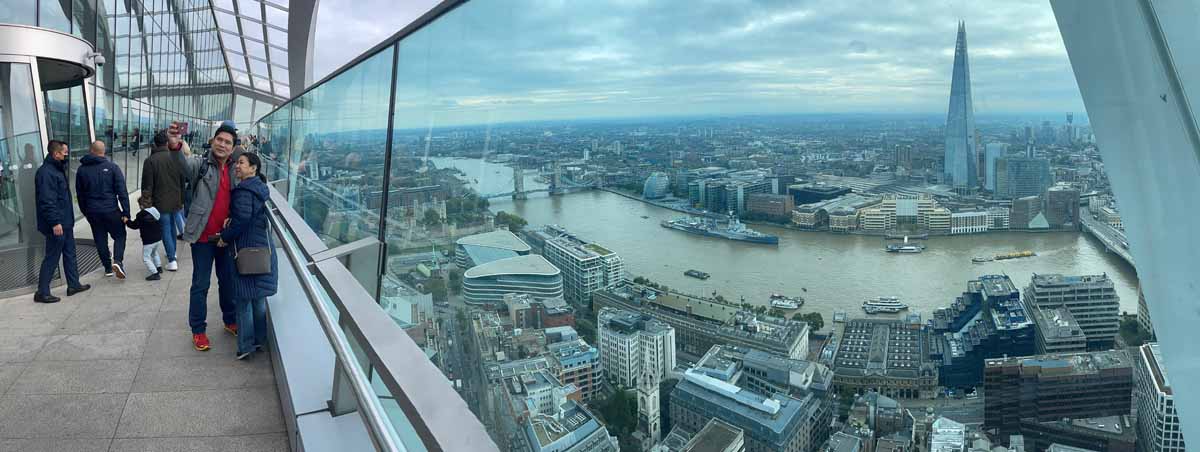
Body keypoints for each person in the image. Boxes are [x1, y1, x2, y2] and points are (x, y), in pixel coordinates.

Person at [182, 123, 241, 351]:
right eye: (219, 140)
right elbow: (183, 167)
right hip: (203, 237)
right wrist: (176, 146)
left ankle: (230, 320)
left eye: (227, 142)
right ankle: (198, 330)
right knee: (201, 284)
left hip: (225, 238)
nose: (222, 145)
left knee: (227, 282)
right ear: (212, 141)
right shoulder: (201, 164)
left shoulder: (236, 168)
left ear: (233, 148)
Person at [216, 152, 276, 359]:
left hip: (247, 251)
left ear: (253, 168)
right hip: (261, 250)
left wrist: (225, 237)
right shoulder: (260, 188)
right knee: (258, 299)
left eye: (241, 163)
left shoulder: (243, 191)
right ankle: (259, 340)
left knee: (243, 300)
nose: (237, 166)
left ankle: (245, 346)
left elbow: (242, 219)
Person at [34, 140, 90, 303]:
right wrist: (55, 222)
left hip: (65, 222)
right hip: (57, 224)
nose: (66, 154)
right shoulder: (46, 173)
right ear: (56, 153)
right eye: (64, 152)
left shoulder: (57, 169)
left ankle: (73, 285)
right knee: (52, 257)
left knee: (70, 253)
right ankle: (42, 292)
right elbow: (47, 201)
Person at [76, 140, 130, 279]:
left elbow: (80, 195)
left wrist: (86, 212)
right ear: (104, 151)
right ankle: (117, 261)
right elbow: (122, 192)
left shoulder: (81, 170)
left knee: (100, 239)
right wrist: (126, 212)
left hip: (93, 212)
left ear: (91, 151)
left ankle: (107, 268)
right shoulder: (112, 167)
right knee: (120, 235)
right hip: (111, 210)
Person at [141, 130, 185, 272]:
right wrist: (182, 199)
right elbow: (182, 180)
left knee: (166, 228)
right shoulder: (175, 158)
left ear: (155, 144)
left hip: (160, 201)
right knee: (171, 227)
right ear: (166, 143)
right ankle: (172, 253)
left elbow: (147, 185)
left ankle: (172, 259)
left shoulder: (150, 161)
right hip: (175, 198)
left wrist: (145, 205)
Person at [125, 195, 164, 280]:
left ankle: (155, 273)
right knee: (154, 252)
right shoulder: (155, 211)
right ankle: (159, 267)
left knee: (146, 258)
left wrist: (127, 221)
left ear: (141, 206)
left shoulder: (141, 215)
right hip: (158, 238)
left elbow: (134, 225)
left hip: (148, 240)